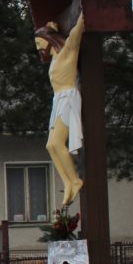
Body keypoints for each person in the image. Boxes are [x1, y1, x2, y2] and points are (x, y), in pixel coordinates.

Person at [36, 13, 85, 207]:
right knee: (50, 146)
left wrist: (83, 13)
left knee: (57, 142)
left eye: (40, 43)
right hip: (58, 100)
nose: (39, 47)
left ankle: (75, 180)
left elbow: (75, 34)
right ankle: (68, 181)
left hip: (68, 98)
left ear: (49, 39)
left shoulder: (67, 52)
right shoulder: (55, 59)